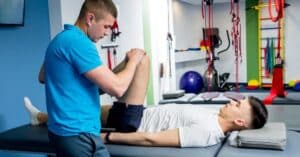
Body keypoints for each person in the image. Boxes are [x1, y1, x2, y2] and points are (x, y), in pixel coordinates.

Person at [38, 0, 148, 156]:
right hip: (79, 135)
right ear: (90, 19)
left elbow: (42, 77)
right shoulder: (79, 43)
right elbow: (118, 88)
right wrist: (134, 61)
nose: (107, 33)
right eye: (106, 26)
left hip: (61, 133)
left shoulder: (58, 40)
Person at [24, 95, 268, 148]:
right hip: (142, 113)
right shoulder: (215, 117)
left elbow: (152, 138)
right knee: (88, 110)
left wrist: (106, 138)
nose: (232, 102)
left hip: (134, 123)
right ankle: (42, 118)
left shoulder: (207, 132)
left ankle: (43, 119)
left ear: (239, 121)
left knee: (140, 59)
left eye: (237, 105)